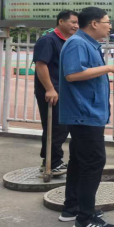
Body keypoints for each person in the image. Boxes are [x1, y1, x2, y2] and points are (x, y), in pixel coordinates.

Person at [58, 7, 114, 227]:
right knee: (94, 162)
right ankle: (85, 218)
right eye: (107, 22)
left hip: (88, 112)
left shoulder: (88, 43)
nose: (110, 26)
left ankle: (73, 207)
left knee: (79, 161)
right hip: (83, 113)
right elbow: (72, 74)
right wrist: (109, 68)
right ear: (94, 24)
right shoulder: (78, 43)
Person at [33, 10, 79, 175]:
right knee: (54, 127)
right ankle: (51, 162)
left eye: (78, 23)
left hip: (65, 91)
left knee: (62, 128)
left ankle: (52, 160)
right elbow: (41, 65)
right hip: (52, 92)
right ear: (61, 22)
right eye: (73, 22)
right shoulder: (48, 40)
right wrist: (50, 89)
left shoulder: (69, 41)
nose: (76, 26)